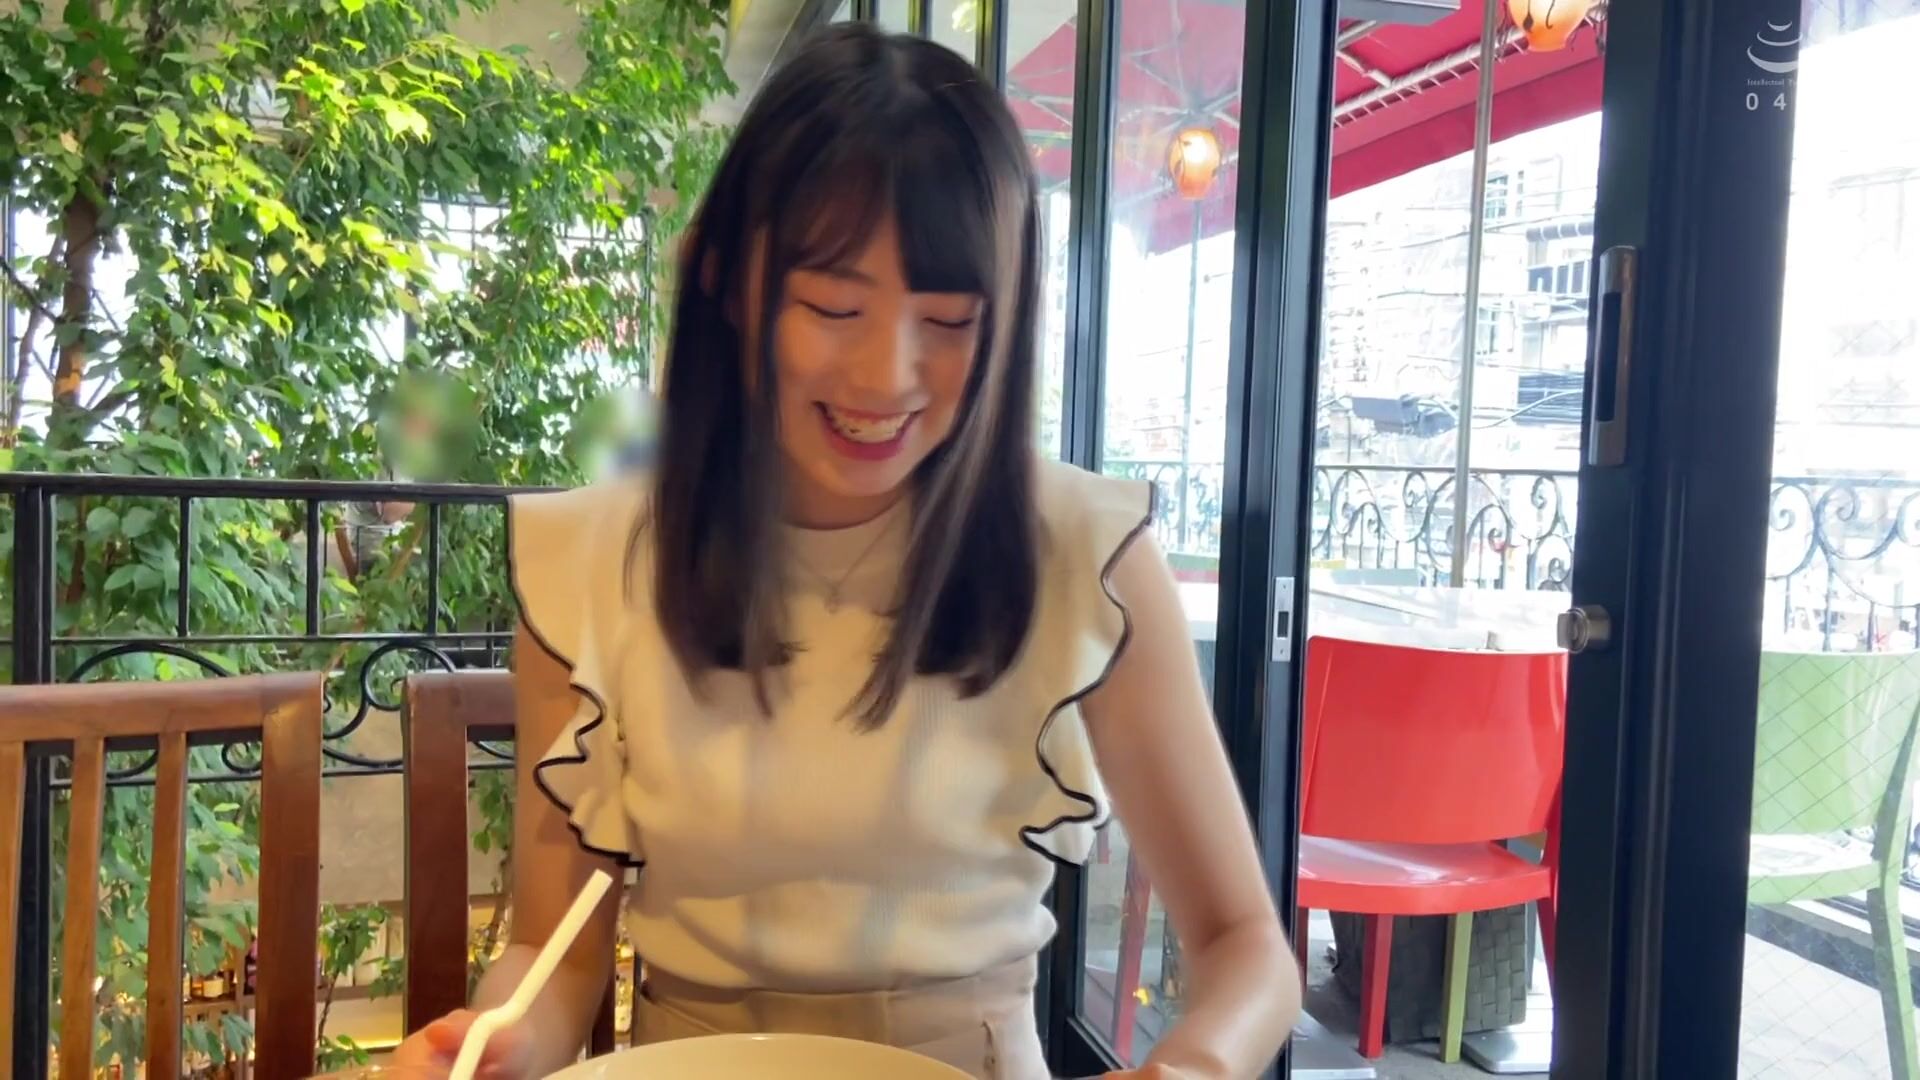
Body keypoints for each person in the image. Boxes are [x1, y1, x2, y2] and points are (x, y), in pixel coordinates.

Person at [387, 24, 1298, 1080]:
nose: (885, 376)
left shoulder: (1089, 557)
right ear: (725, 281)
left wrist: (1194, 1067)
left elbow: (1246, 946)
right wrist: (494, 1045)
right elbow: (556, 952)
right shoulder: (590, 562)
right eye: (833, 307)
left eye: (949, 321)